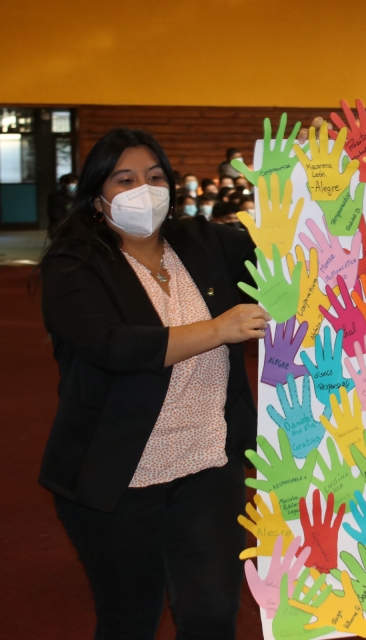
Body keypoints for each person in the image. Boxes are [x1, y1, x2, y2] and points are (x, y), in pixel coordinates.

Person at [38, 128, 270, 638]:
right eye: (125, 179)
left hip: (208, 466)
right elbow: (112, 346)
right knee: (130, 619)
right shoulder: (73, 262)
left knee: (212, 615)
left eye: (155, 176)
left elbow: (292, 243)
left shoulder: (201, 240)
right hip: (118, 477)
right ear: (98, 196)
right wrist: (219, 328)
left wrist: (321, 173)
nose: (145, 189)